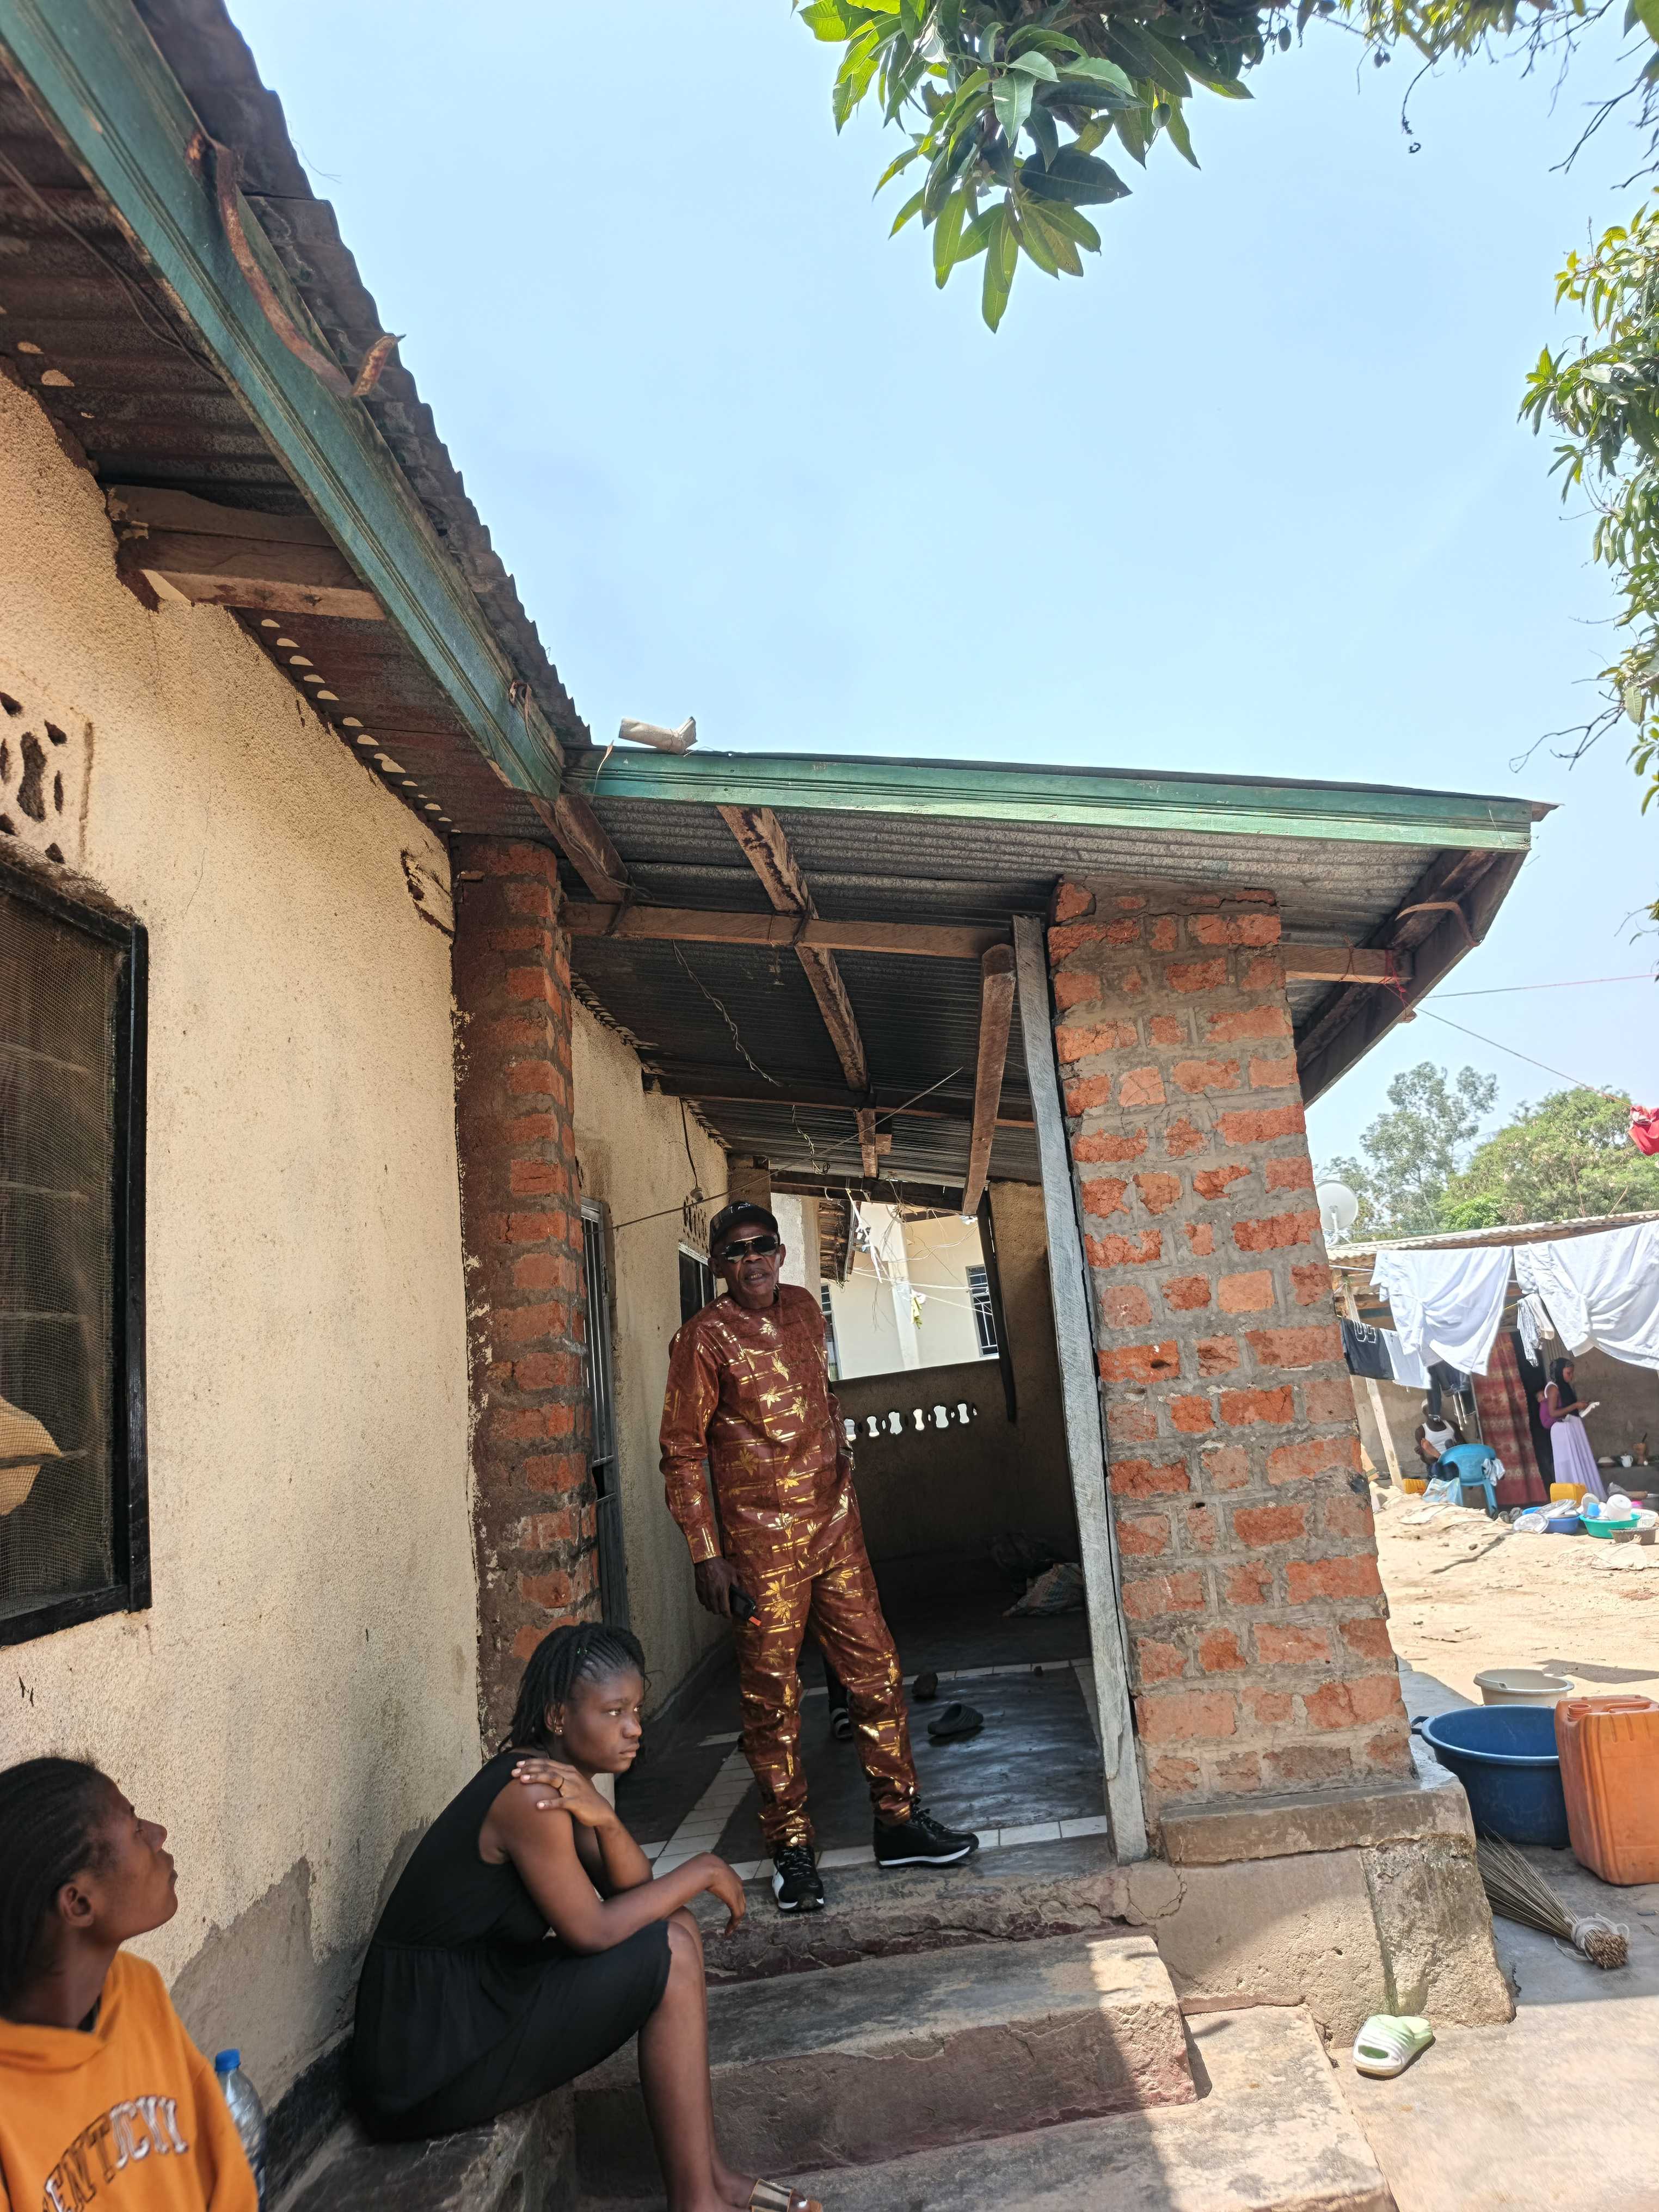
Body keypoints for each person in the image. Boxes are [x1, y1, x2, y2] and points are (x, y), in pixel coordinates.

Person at [352, 1624, 819, 2212]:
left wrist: (604, 1816)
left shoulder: (560, 1781)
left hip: (480, 1999)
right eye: (614, 1711)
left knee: (675, 1929)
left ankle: (711, 2179)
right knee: (672, 1948)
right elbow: (592, 1930)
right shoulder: (531, 1795)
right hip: (426, 2056)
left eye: (637, 1710)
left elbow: (634, 1890)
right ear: (558, 1716)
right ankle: (697, 2201)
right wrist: (701, 1868)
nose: (635, 1728)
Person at [660, 1200, 978, 1916]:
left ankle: (899, 1821)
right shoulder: (702, 1339)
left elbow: (821, 1398)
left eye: (762, 1245)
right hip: (760, 1547)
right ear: (719, 1265)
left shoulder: (806, 1308)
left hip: (836, 1530)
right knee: (771, 1700)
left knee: (877, 1671)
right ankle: (791, 1847)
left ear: (779, 1253)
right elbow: (681, 1452)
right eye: (736, 1250)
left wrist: (843, 1473)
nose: (752, 1259)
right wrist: (707, 1554)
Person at [0, 1756, 257, 2212]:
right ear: (79, 1904)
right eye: (136, 1829)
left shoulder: (139, 1989)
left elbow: (223, 2171)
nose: (159, 1835)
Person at [1539, 1357, 1606, 1500]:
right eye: (1568, 1373)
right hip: (1561, 1432)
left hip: (1570, 1429)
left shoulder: (1565, 1388)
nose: (1571, 1376)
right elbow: (1553, 1413)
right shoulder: (1553, 1388)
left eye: (1572, 1373)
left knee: (1579, 1461)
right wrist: (1575, 1406)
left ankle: (1586, 1496)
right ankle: (1574, 1499)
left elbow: (1568, 1411)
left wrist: (1582, 1407)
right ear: (1559, 1372)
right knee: (1569, 1464)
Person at [1414, 1404, 1463, 1473]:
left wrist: (1457, 1445)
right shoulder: (1421, 1431)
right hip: (1436, 1465)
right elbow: (1426, 1460)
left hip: (1455, 1460)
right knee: (1437, 1466)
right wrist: (1422, 1454)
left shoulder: (1451, 1425)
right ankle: (1441, 1458)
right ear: (1425, 1413)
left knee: (1449, 1444)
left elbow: (1464, 1447)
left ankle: (1443, 1457)